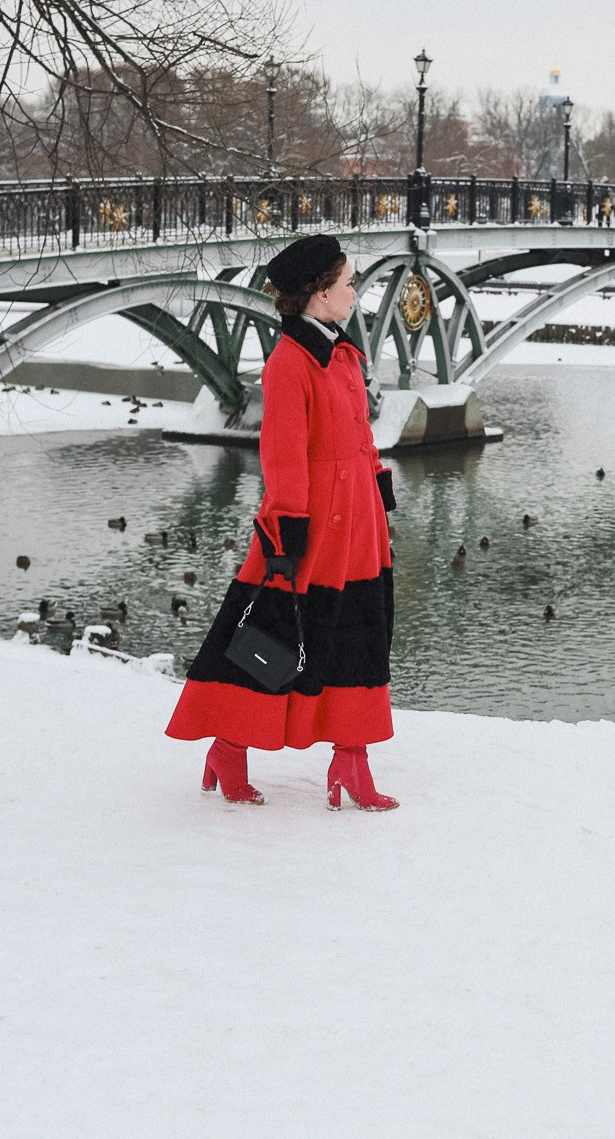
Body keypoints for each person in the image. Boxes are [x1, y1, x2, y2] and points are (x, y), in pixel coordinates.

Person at [166, 234, 399, 811]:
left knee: (362, 639)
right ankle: (229, 747)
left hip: (360, 526)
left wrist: (377, 488)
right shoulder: (290, 363)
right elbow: (283, 459)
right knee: (275, 637)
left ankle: (352, 760)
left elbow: (360, 436)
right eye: (347, 283)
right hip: (313, 528)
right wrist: (285, 537)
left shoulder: (343, 354)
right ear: (320, 293)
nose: (355, 293)